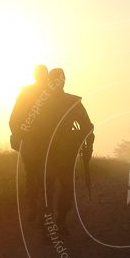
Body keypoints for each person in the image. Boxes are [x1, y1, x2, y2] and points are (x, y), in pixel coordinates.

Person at [33, 68, 94, 235]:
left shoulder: (39, 103)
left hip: (47, 154)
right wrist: (86, 147)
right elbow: (88, 128)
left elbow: (30, 129)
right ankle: (58, 222)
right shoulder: (72, 102)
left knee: (48, 189)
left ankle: (49, 224)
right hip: (62, 154)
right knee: (63, 188)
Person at [9, 65, 50, 221]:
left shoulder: (26, 92)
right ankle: (42, 210)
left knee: (32, 176)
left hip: (31, 143)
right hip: (44, 144)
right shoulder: (52, 93)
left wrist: (19, 137)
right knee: (44, 177)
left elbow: (13, 119)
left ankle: (34, 210)